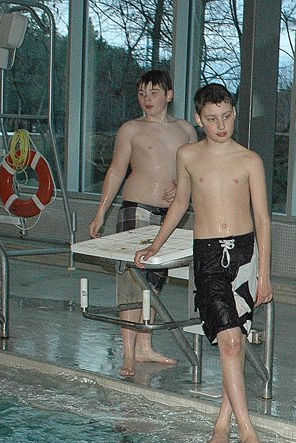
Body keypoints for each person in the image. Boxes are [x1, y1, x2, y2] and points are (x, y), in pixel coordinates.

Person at [134, 83, 274, 443]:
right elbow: (180, 203)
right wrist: (156, 246)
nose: (221, 125)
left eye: (226, 116)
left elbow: (263, 218)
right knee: (228, 341)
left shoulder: (250, 160)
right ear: (199, 119)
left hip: (245, 255)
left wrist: (266, 273)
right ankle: (248, 433)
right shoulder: (189, 155)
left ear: (233, 113)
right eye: (212, 119)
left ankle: (223, 422)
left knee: (237, 341)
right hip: (209, 256)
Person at [88, 70, 197, 378]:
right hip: (137, 207)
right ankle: (127, 351)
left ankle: (144, 346)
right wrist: (100, 213)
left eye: (153, 93)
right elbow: (116, 170)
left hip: (171, 212)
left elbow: (194, 168)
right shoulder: (131, 129)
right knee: (134, 280)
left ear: (169, 95)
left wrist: (181, 185)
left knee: (155, 281)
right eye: (142, 94)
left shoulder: (186, 130)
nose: (147, 99)